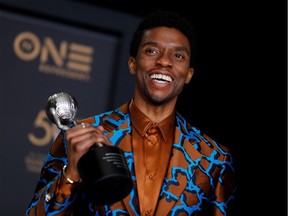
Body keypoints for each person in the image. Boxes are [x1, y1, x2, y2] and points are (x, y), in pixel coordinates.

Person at [26, 10, 236, 215]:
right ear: (132, 64)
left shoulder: (214, 159)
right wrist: (70, 175)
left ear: (189, 74)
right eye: (152, 51)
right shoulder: (80, 137)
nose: (164, 61)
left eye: (178, 55)